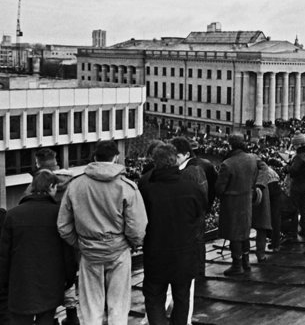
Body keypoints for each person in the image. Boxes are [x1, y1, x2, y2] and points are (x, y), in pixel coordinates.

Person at [58, 140, 147, 325]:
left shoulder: (76, 185)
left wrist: (80, 243)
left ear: (95, 158)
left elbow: (64, 226)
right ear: (115, 157)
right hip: (119, 250)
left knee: (90, 306)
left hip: (88, 251)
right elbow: (137, 226)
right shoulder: (126, 186)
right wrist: (131, 243)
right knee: (118, 305)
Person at [139, 144, 207, 325]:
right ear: (175, 160)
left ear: (155, 162)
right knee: (182, 298)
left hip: (156, 252)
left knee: (154, 297)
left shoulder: (145, 187)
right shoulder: (192, 187)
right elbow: (200, 214)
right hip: (185, 252)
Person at [0, 170, 77, 325]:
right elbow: (67, 251)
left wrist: (3, 284)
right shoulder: (58, 214)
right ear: (52, 187)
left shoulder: (13, 214)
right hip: (51, 283)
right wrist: (69, 277)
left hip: (20, 283)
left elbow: (4, 255)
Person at [24, 148, 80, 325]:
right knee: (69, 275)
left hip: (43, 243)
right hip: (69, 239)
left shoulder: (34, 186)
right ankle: (72, 315)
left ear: (38, 163)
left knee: (47, 280)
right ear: (56, 161)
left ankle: (52, 317)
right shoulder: (73, 183)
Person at [216, 134, 259, 275]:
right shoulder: (252, 159)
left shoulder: (228, 164)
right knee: (244, 232)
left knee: (234, 234)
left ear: (230, 145)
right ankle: (246, 262)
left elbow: (219, 188)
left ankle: (236, 265)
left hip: (231, 204)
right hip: (247, 201)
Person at [287, 133, 305, 239]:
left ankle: (293, 231)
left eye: (295, 144)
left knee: (293, 208)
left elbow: (293, 171)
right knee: (304, 208)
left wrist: (287, 167)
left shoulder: (299, 156)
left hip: (297, 184)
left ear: (299, 144)